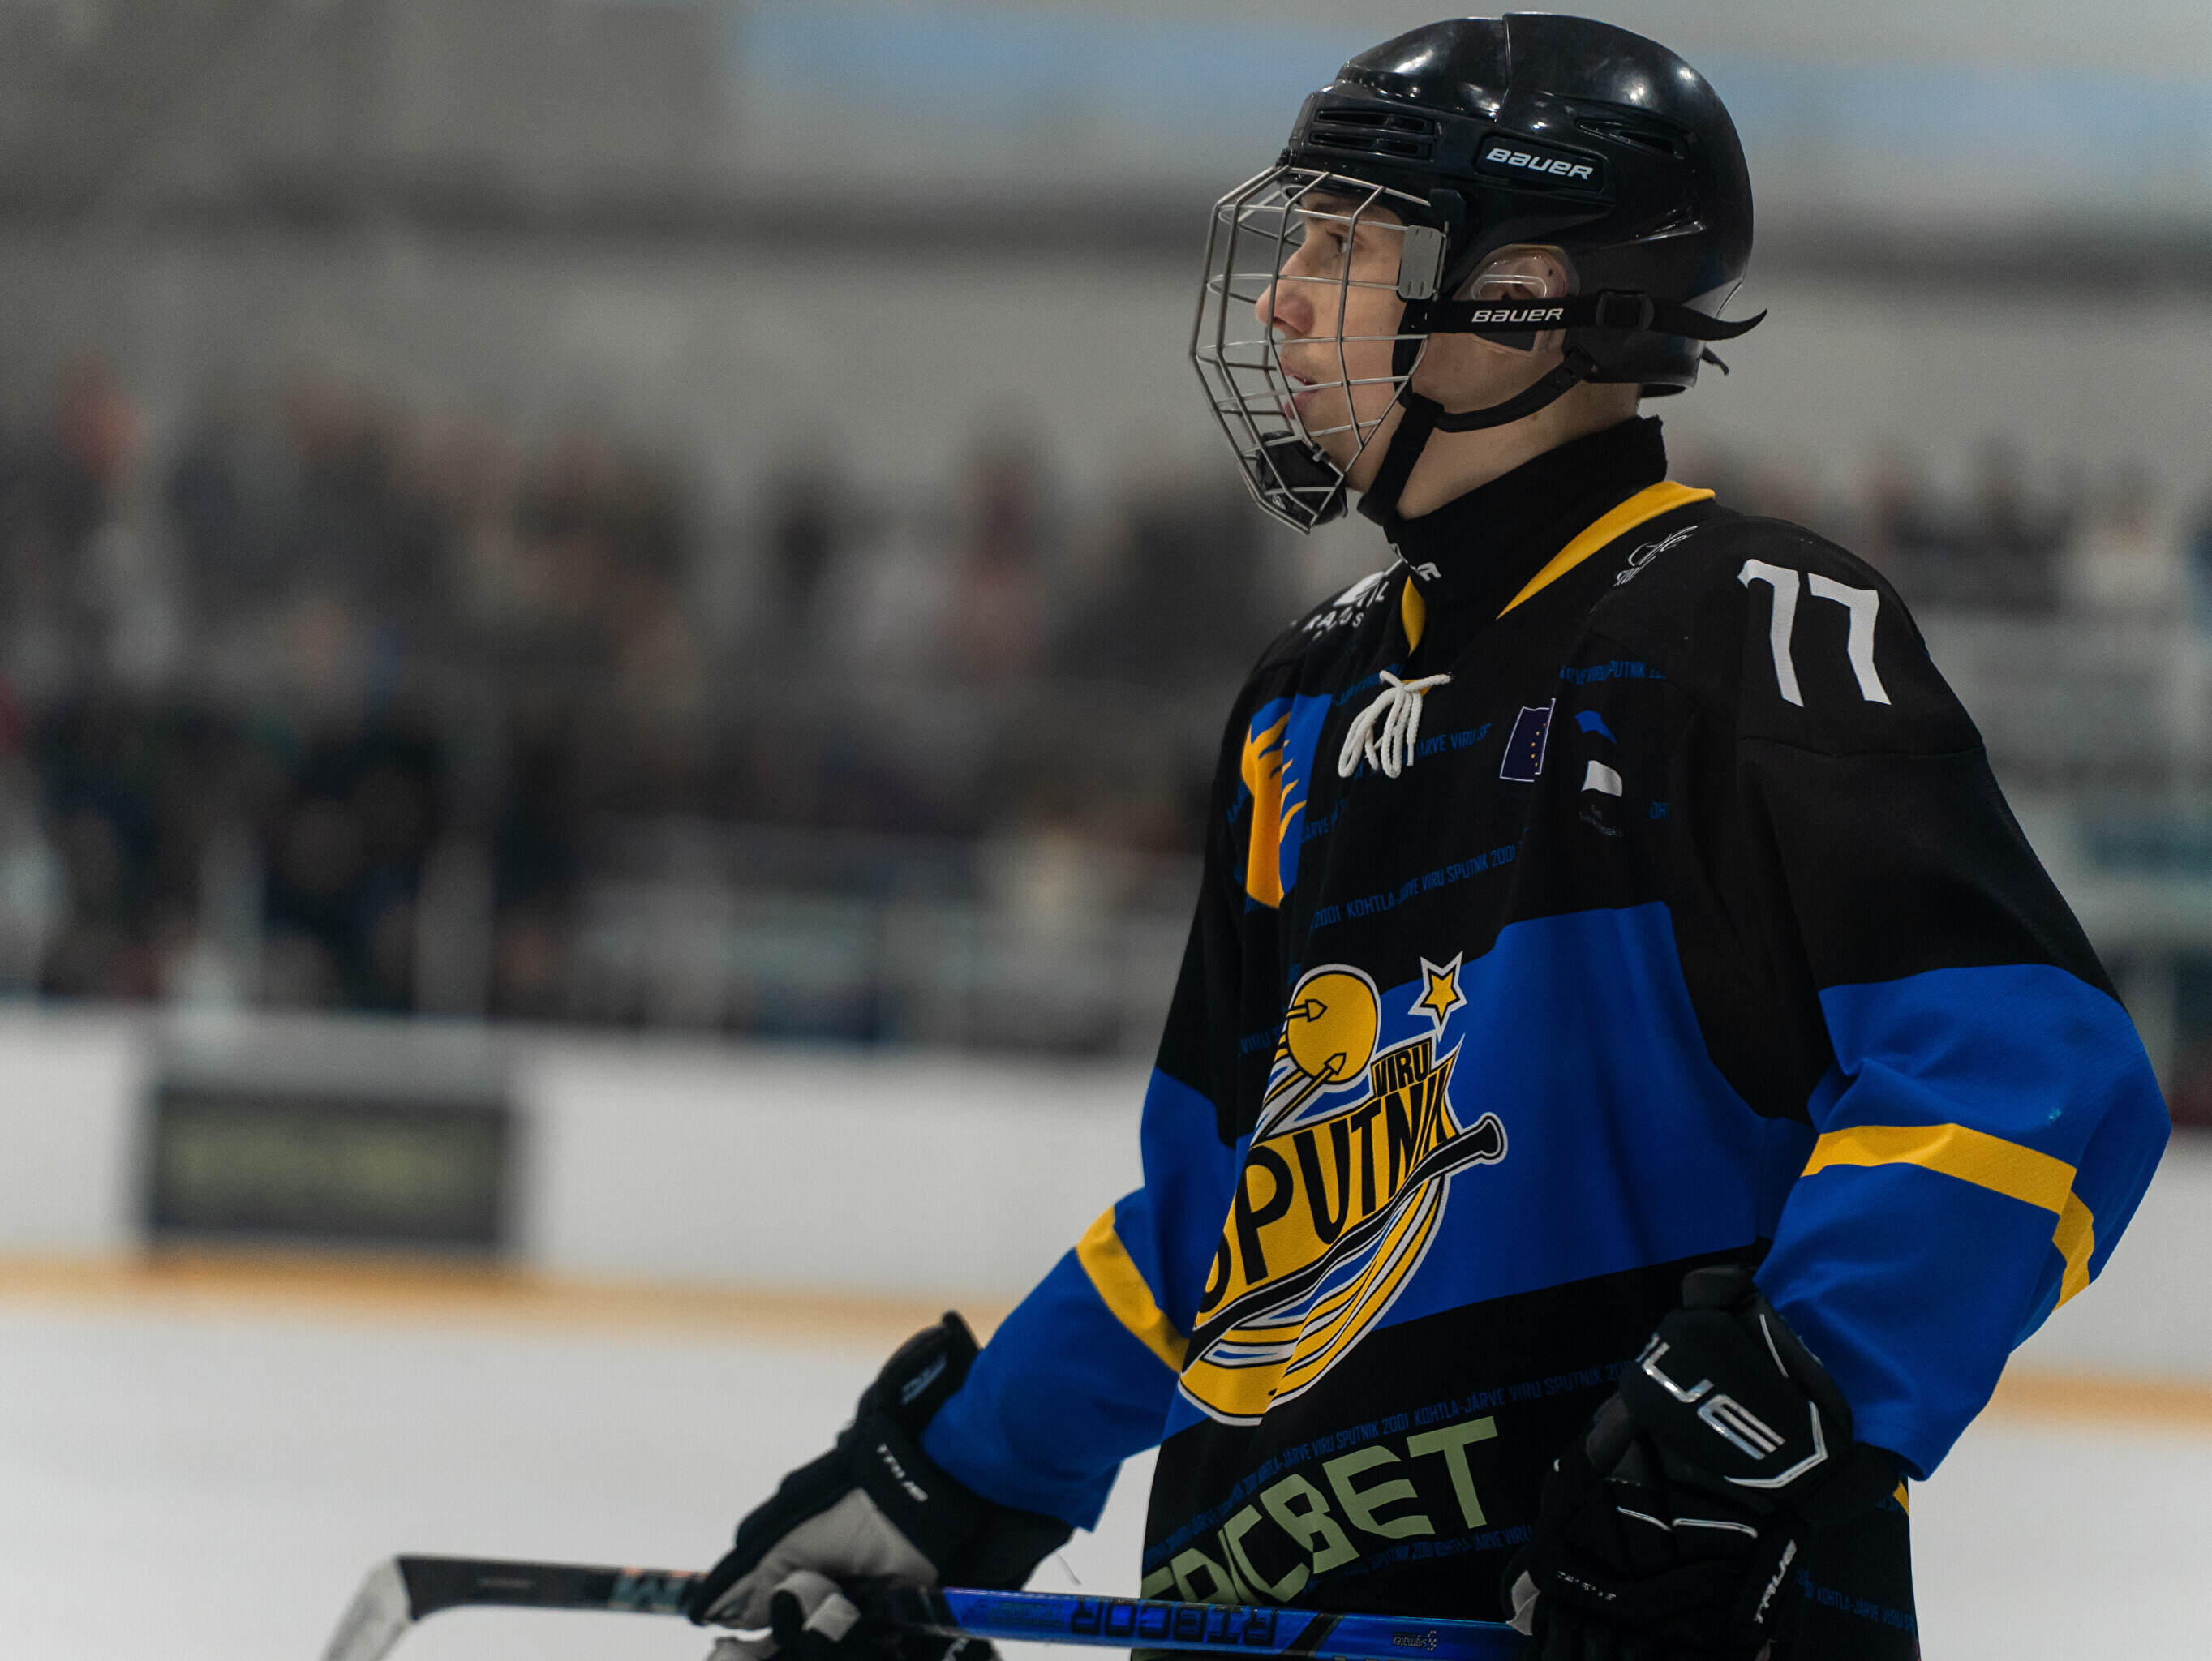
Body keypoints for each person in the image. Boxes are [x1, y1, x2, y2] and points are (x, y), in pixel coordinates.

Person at [682, 18, 2170, 1661]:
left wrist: (1772, 1405)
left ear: (1519, 299)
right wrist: (954, 1478)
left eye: (1343, 247)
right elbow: (1214, 1211)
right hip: (1269, 1608)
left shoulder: (1734, 625)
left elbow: (2034, 1077)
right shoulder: (1299, 701)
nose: (1281, 301)